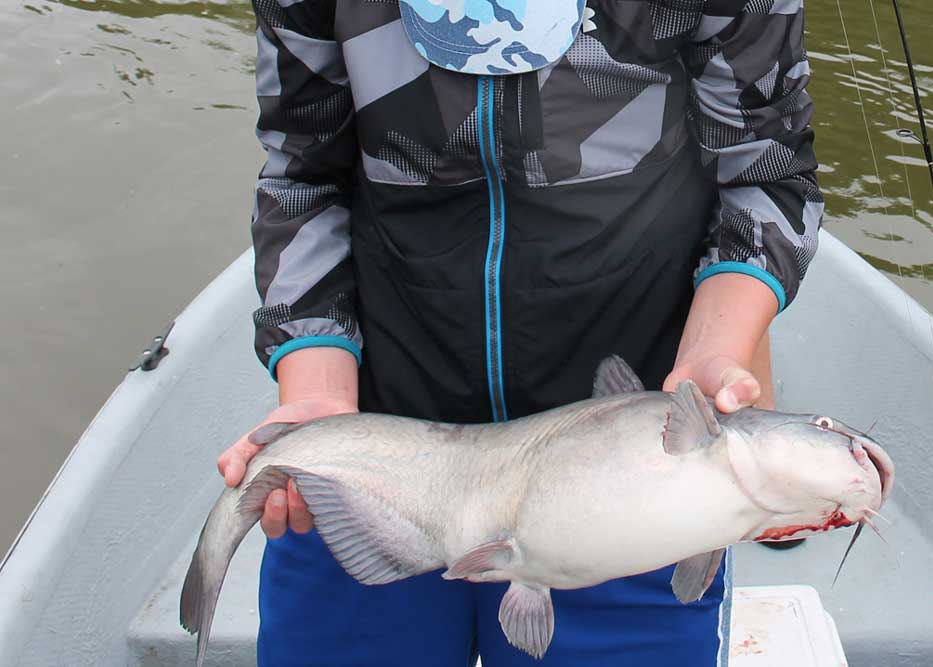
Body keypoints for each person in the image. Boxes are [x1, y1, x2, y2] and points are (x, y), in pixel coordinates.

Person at [217, 0, 822, 664]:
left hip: (637, 476)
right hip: (379, 463)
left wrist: (714, 348)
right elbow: (304, 177)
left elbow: (764, 170)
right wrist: (322, 397)